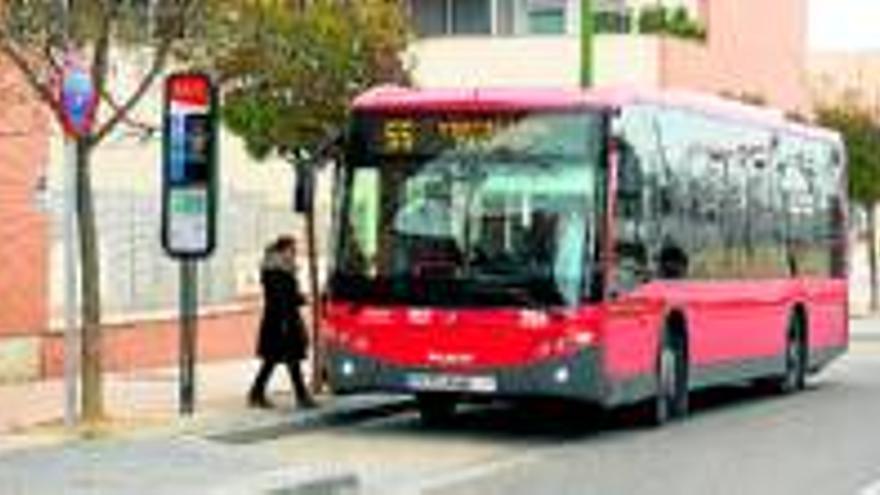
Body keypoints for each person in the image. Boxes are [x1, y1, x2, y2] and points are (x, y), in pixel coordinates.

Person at [248, 236, 317, 409]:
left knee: (274, 360)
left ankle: (257, 393)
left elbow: (285, 296)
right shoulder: (277, 272)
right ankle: (301, 397)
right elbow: (283, 298)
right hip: (282, 320)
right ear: (283, 250)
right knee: (290, 359)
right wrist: (299, 300)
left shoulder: (277, 270)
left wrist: (299, 299)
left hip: (279, 320)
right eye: (292, 250)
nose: (294, 253)